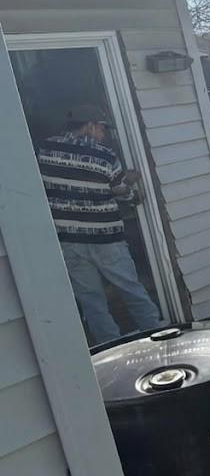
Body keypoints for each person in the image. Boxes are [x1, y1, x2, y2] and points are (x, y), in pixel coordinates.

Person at [37, 116, 161, 343]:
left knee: (91, 300)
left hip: (69, 240)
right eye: (102, 130)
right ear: (89, 125)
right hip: (106, 239)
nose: (103, 136)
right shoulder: (104, 156)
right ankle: (157, 334)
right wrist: (133, 191)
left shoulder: (45, 150)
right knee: (130, 289)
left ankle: (111, 347)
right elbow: (118, 190)